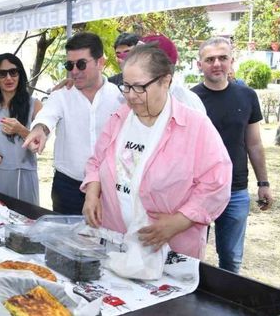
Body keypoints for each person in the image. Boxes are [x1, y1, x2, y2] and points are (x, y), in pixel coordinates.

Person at [81, 43, 232, 259]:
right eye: (126, 86)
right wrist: (92, 194)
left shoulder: (195, 125)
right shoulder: (119, 119)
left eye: (140, 87)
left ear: (165, 81)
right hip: (116, 241)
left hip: (171, 247)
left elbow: (217, 183)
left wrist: (179, 221)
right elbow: (96, 161)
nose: (131, 96)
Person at [192, 37, 274, 273]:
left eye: (222, 58)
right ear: (200, 65)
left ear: (231, 61)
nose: (216, 64)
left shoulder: (247, 95)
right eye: (210, 59)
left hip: (235, 190)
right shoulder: (190, 99)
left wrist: (263, 183)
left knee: (230, 258)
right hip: (197, 190)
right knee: (190, 255)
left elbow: (255, 144)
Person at [23, 32, 122, 214]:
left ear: (101, 62)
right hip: (67, 188)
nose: (74, 71)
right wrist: (39, 129)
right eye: (70, 65)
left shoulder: (119, 97)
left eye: (81, 64)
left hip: (108, 187)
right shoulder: (61, 96)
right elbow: (47, 116)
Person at [0, 53, 42, 204]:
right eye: (2, 73)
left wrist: (20, 130)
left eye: (13, 72)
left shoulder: (35, 105)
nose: (9, 78)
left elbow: (39, 145)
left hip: (22, 179)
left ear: (20, 75)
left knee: (24, 224)